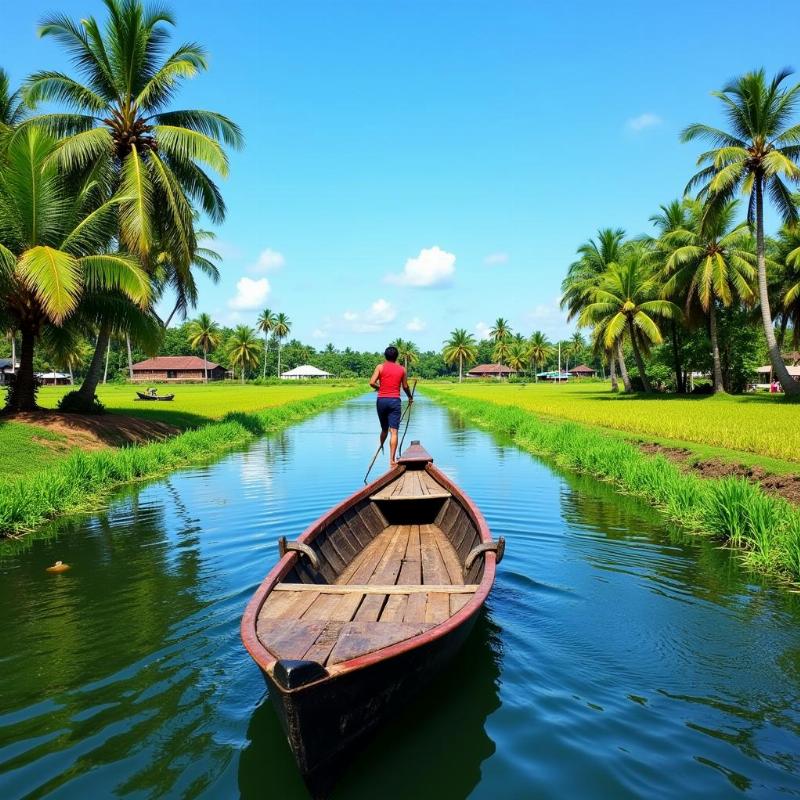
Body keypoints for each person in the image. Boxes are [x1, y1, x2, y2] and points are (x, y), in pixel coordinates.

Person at [369, 345, 413, 468]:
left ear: (385, 356)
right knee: (394, 431)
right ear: (396, 356)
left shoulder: (380, 367)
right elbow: (405, 386)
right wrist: (410, 397)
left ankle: (381, 445)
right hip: (394, 401)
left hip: (381, 401)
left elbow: (372, 382)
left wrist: (380, 388)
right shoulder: (402, 369)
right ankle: (392, 460)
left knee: (384, 429)